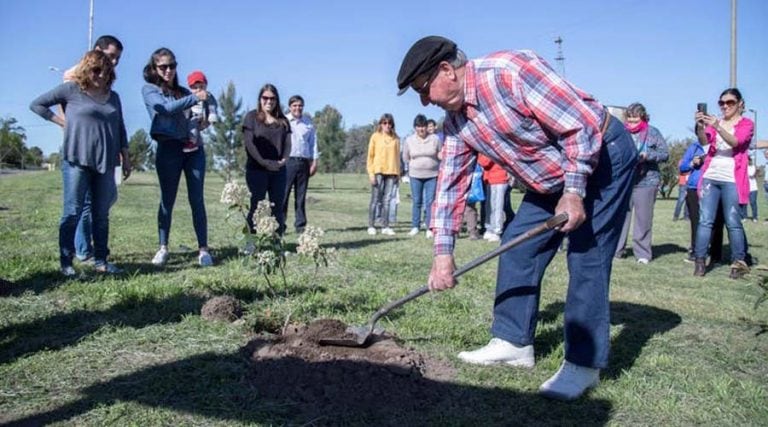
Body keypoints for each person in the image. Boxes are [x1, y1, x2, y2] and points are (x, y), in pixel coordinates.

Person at [397, 36, 636, 401]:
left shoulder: (510, 73)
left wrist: (573, 192)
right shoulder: (457, 123)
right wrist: (442, 256)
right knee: (516, 247)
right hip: (549, 177)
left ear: (446, 70)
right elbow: (449, 189)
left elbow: (580, 127)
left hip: (602, 155)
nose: (424, 101)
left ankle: (583, 365)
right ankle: (512, 342)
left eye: (423, 89)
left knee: (586, 257)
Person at [30, 50, 131, 276]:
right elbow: (37, 105)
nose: (101, 75)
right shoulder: (71, 90)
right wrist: (62, 122)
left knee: (101, 213)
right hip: (77, 159)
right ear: (86, 69)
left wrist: (126, 156)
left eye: (106, 71)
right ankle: (66, 262)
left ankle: (101, 261)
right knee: (73, 211)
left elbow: (120, 126)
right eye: (96, 70)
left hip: (106, 160)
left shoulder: (113, 97)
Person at [142, 47, 213, 267]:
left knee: (197, 199)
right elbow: (164, 109)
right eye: (163, 66)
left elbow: (197, 115)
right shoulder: (150, 90)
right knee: (167, 200)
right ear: (154, 68)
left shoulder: (184, 91)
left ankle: (203, 249)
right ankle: (163, 247)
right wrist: (194, 98)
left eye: (172, 65)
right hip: (168, 149)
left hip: (193, 151)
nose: (169, 70)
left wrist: (204, 120)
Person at [61, 35, 124, 264]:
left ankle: (92, 253)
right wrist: (65, 124)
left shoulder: (107, 86)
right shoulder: (75, 76)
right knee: (82, 205)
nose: (114, 63)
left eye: (117, 59)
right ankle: (82, 250)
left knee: (102, 202)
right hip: (80, 151)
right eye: (111, 56)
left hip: (101, 153)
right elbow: (65, 102)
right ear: (97, 50)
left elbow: (116, 122)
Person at [692, 88, 754, 279]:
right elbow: (705, 142)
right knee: (705, 220)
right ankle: (700, 261)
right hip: (711, 175)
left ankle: (738, 262)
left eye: (730, 102)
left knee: (733, 221)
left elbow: (736, 141)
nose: (725, 106)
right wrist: (700, 127)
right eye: (722, 103)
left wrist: (718, 126)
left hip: (732, 178)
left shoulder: (746, 124)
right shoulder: (715, 123)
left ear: (740, 104)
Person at [614, 103, 669, 264]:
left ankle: (643, 254)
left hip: (647, 181)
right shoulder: (621, 132)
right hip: (624, 180)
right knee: (620, 217)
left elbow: (664, 154)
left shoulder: (653, 133)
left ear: (643, 118)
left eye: (635, 120)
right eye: (629, 120)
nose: (631, 124)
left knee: (643, 219)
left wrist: (648, 155)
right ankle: (617, 250)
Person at [242, 84, 291, 240]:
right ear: (260, 99)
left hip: (278, 170)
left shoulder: (283, 121)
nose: (269, 101)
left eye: (272, 98)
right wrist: (263, 162)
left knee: (277, 207)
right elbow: (249, 143)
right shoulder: (251, 117)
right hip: (257, 170)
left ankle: (277, 242)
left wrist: (284, 160)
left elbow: (288, 143)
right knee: (257, 206)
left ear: (277, 100)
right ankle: (251, 242)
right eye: (265, 98)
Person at [282, 95, 318, 235]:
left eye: (300, 105)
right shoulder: (284, 121)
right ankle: (280, 225)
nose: (297, 108)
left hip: (303, 162)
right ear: (290, 107)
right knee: (283, 195)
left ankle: (300, 225)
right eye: (295, 105)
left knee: (301, 196)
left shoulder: (308, 123)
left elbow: (313, 143)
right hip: (288, 162)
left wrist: (314, 161)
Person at [403, 114, 441, 238]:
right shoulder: (409, 140)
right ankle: (415, 226)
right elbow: (405, 157)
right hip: (415, 175)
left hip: (432, 175)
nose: (421, 129)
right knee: (417, 201)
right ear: (415, 128)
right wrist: (412, 166)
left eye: (423, 126)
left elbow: (440, 153)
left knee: (430, 202)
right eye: (419, 126)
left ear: (426, 127)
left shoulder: (435, 139)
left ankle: (430, 227)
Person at [366, 114, 401, 236]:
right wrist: (371, 173)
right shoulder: (375, 137)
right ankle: (371, 225)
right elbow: (370, 156)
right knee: (375, 199)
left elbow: (397, 157)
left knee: (387, 200)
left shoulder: (396, 138)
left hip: (391, 172)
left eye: (389, 123)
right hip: (378, 171)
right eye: (384, 123)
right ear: (380, 124)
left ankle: (385, 226)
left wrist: (398, 174)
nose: (387, 125)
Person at [183, 70, 219, 153]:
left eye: (201, 87)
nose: (199, 90)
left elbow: (212, 105)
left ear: (205, 86)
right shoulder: (189, 97)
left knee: (193, 124)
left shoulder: (208, 96)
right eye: (195, 88)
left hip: (203, 115)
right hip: (192, 116)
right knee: (192, 125)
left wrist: (212, 115)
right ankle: (191, 141)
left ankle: (192, 142)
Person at [478, 154, 511, 242]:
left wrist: (480, 154)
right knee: (490, 206)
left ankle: (497, 231)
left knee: (497, 207)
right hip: (490, 178)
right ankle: (489, 228)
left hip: (498, 178)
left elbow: (484, 162)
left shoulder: (491, 150)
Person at [743, 157, 758, 221]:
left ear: (750, 161)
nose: (747, 162)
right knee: (744, 203)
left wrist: (755, 173)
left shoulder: (754, 167)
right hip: (745, 188)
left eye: (748, 160)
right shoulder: (744, 168)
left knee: (753, 202)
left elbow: (756, 174)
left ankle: (755, 217)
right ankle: (744, 217)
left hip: (753, 188)